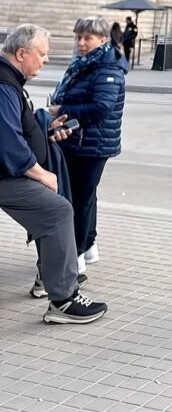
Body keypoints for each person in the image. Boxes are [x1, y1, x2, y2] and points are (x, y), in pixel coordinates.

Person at [0, 25, 108, 324]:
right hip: (7, 175)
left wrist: (43, 130)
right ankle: (63, 299)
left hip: (8, 173)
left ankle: (51, 281)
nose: (45, 60)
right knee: (57, 210)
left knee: (52, 211)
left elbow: (14, 129)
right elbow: (6, 143)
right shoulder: (4, 84)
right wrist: (39, 173)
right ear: (22, 54)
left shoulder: (10, 80)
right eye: (42, 54)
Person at [50, 17, 127, 269]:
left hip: (91, 144)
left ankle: (78, 254)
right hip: (80, 141)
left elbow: (102, 107)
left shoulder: (107, 69)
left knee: (79, 199)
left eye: (87, 38)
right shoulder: (87, 64)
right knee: (85, 196)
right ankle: (89, 245)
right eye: (78, 37)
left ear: (103, 40)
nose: (80, 43)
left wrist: (62, 109)